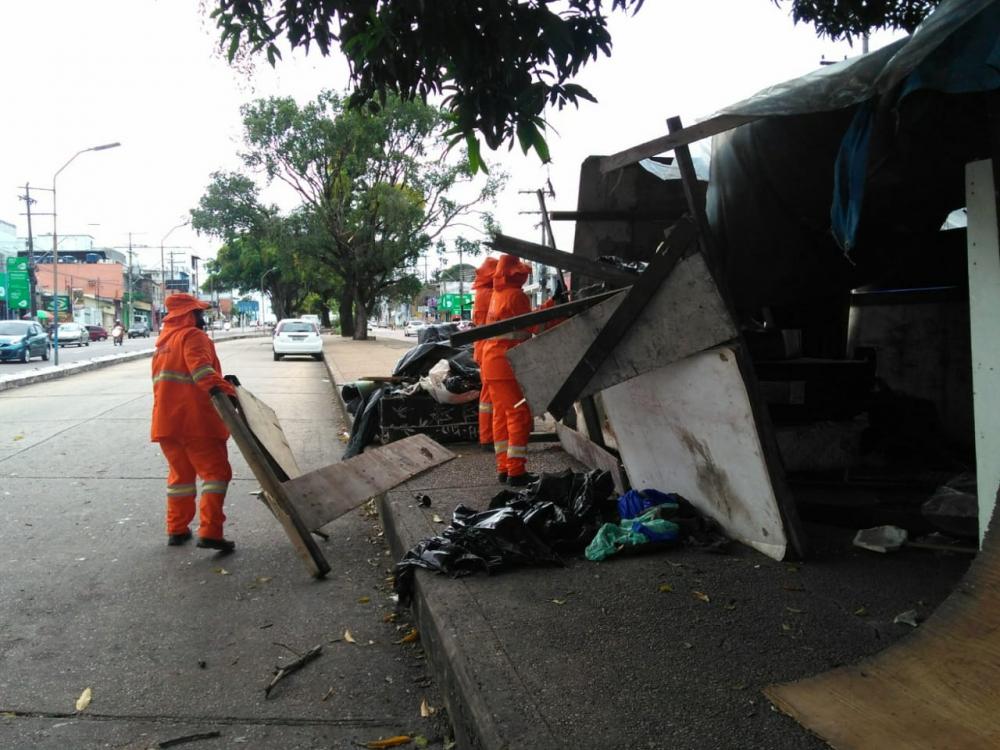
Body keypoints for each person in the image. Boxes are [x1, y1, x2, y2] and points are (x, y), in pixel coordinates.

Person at [150, 293, 238, 551]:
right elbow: (202, 373)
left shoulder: (163, 345)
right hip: (196, 422)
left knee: (181, 478)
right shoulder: (192, 337)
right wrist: (230, 393)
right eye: (198, 313)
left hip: (167, 424)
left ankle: (176, 530)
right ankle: (210, 531)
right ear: (188, 315)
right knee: (216, 474)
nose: (202, 317)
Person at [481, 254, 536, 487]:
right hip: (505, 364)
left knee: (501, 416)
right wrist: (555, 310)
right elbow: (536, 325)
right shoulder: (516, 295)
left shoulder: (498, 294)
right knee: (518, 414)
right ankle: (516, 471)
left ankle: (504, 467)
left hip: (492, 362)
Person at [471, 257, 499, 453]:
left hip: (484, 348)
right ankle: (489, 438)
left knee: (487, 398)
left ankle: (487, 436)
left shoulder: (483, 293)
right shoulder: (491, 294)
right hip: (490, 349)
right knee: (492, 398)